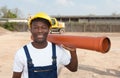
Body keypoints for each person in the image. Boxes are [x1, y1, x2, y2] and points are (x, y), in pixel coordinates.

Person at [12, 12, 78, 78]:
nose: (40, 30)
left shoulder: (57, 50)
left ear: (49, 30)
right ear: (30, 30)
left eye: (43, 27)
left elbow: (73, 69)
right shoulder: (21, 53)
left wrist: (73, 52)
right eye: (35, 28)